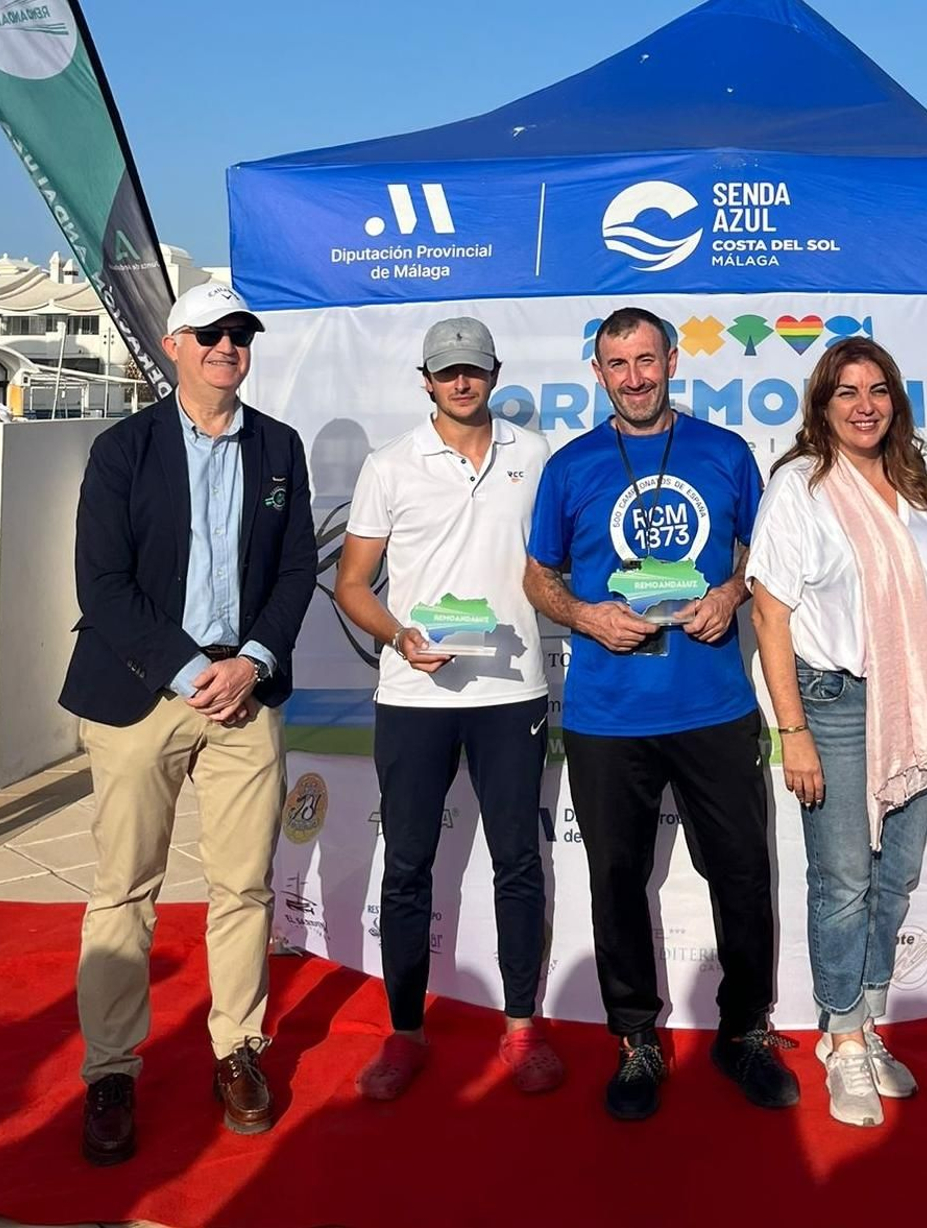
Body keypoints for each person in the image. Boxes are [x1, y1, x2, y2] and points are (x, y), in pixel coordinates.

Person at [60, 282, 318, 1165]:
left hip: (245, 693)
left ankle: (238, 1049)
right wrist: (187, 670)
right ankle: (110, 1071)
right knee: (125, 887)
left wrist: (252, 661)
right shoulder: (122, 449)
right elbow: (102, 584)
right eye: (209, 333)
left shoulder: (279, 447)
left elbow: (296, 571)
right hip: (143, 693)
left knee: (243, 887)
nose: (227, 346)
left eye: (240, 333)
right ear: (174, 346)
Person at [523, 306, 798, 1121]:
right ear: (598, 372)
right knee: (615, 881)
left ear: (672, 361)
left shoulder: (725, 452)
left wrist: (731, 592)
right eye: (618, 364)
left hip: (714, 706)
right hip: (608, 717)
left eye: (647, 360)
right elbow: (538, 576)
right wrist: (584, 615)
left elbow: (764, 555)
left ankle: (743, 1030)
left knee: (742, 874)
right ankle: (636, 1038)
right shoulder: (571, 465)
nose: (635, 377)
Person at [333, 317, 562, 1099]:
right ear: (425, 380)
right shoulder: (389, 465)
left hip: (513, 690)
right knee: (407, 867)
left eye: (473, 369)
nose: (461, 382)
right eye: (446, 371)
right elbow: (352, 585)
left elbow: (557, 562)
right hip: (414, 696)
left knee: (518, 863)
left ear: (494, 373)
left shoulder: (535, 456)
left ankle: (522, 1026)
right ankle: (405, 1033)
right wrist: (399, 636)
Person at [747, 339, 927, 1128]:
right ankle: (840, 1037)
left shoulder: (915, 486)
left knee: (895, 877)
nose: (864, 405)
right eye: (847, 392)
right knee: (843, 883)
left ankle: (866, 1022)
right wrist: (793, 732)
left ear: (895, 402)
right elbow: (770, 614)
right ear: (822, 405)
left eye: (877, 390)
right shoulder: (800, 487)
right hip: (834, 705)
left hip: (920, 703)